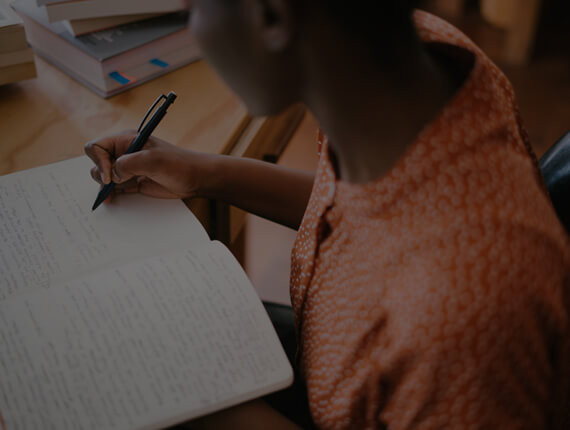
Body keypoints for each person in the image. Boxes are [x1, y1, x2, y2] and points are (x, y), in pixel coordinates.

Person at [85, 1, 570, 428]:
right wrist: (203, 172)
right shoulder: (409, 62)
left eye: (192, 9)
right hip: (325, 357)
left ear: (272, 15)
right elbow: (361, 214)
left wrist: (197, 399)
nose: (193, 31)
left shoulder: (463, 316)